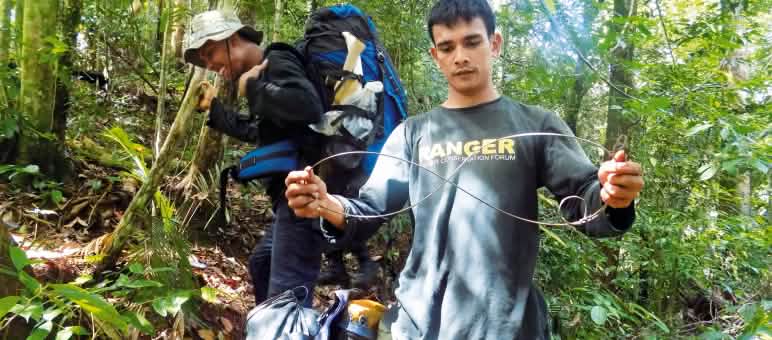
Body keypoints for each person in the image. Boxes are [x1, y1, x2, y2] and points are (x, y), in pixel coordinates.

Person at [284, 0, 645, 338]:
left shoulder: (535, 124)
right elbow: (372, 208)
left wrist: (614, 197)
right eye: (447, 47)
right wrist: (326, 204)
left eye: (472, 42)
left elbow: (584, 199)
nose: (460, 57)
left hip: (507, 323)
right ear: (435, 56)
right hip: (420, 321)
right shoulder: (413, 133)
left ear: (495, 43)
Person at [182, 10, 376, 305]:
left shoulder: (277, 59)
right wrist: (216, 111)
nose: (211, 66)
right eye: (205, 61)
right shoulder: (265, 72)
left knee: (287, 302)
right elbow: (263, 132)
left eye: (210, 54)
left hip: (306, 196)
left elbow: (307, 106)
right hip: (293, 200)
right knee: (261, 265)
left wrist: (252, 88)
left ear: (232, 39)